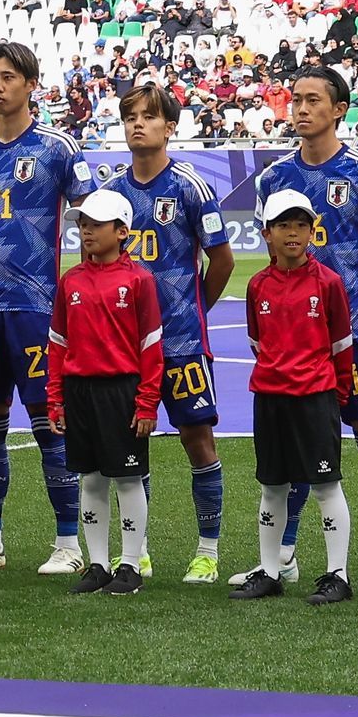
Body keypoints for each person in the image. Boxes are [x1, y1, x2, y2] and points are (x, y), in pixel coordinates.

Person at [260, 64, 358, 591]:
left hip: (357, 335)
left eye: (312, 100)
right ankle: (285, 554)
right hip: (294, 344)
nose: (300, 109)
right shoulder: (274, 177)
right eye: (295, 99)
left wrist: (356, 309)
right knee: (299, 450)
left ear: (339, 109)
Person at [0, 43, 86, 573]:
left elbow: (88, 217)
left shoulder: (58, 148)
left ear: (31, 83)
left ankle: (69, 544)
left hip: (37, 307)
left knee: (50, 423)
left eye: (9, 77)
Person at [106, 88, 238, 580]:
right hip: (125, 347)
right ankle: (135, 549)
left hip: (181, 341)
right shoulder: (112, 193)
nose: (138, 125)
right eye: (130, 117)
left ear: (169, 128)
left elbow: (221, 259)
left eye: (149, 117)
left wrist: (193, 307)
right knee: (129, 446)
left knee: (197, 439)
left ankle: (208, 550)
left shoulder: (191, 187)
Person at [234, 188, 357, 602]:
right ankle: (269, 572)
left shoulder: (329, 283)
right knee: (272, 486)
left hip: (315, 397)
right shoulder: (257, 286)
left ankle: (337, 574)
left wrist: (334, 393)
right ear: (266, 233)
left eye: (301, 225)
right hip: (270, 397)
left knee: (325, 485)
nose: (293, 233)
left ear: (311, 232)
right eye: (283, 225)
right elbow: (257, 341)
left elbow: (342, 345)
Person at [48, 185, 170, 595]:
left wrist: (147, 401)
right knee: (92, 480)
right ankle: (97, 564)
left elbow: (151, 346)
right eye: (82, 224)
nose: (85, 231)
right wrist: (56, 398)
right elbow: (58, 345)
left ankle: (131, 565)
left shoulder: (139, 281)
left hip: (121, 390)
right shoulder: (71, 280)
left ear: (121, 231)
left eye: (95, 224)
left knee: (129, 479)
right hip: (80, 391)